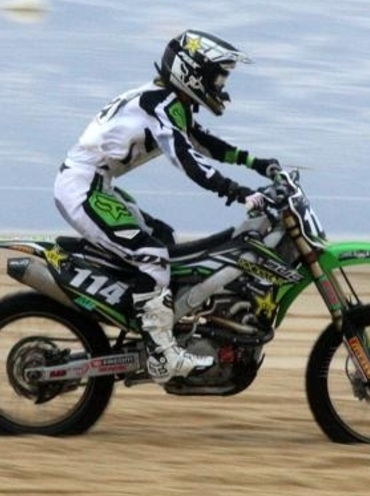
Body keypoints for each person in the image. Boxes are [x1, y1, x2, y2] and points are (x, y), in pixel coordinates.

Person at [53, 29, 278, 384]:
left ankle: (159, 326)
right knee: (152, 256)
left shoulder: (167, 101)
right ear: (192, 71)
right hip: (82, 189)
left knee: (165, 239)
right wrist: (236, 192)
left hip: (98, 186)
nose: (221, 87)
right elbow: (187, 159)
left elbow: (202, 141)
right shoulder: (161, 106)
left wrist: (257, 163)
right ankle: (161, 356)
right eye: (217, 77)